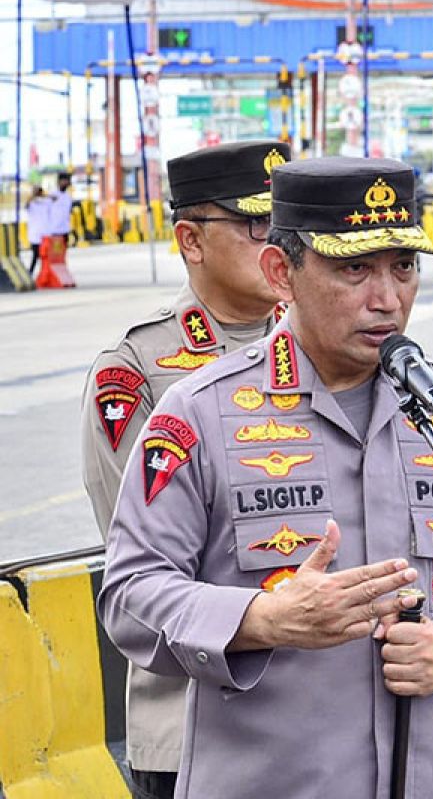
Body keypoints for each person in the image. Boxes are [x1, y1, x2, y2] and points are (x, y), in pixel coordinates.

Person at [97, 156, 433, 799]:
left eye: (404, 267)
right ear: (283, 272)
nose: (387, 299)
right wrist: (261, 619)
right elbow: (130, 590)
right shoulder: (199, 413)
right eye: (353, 268)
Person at [81, 140, 291, 799]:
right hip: (196, 722)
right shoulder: (136, 371)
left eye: (285, 224)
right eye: (257, 223)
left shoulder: (324, 348)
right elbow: (150, 561)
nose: (277, 241)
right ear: (190, 241)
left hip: (322, 724)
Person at [25, 186, 51, 275]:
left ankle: (43, 272)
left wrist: (43, 195)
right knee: (36, 255)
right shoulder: (31, 203)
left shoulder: (45, 202)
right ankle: (31, 272)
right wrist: (33, 195)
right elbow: (26, 205)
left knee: (45, 256)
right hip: (34, 235)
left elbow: (55, 199)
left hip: (45, 234)